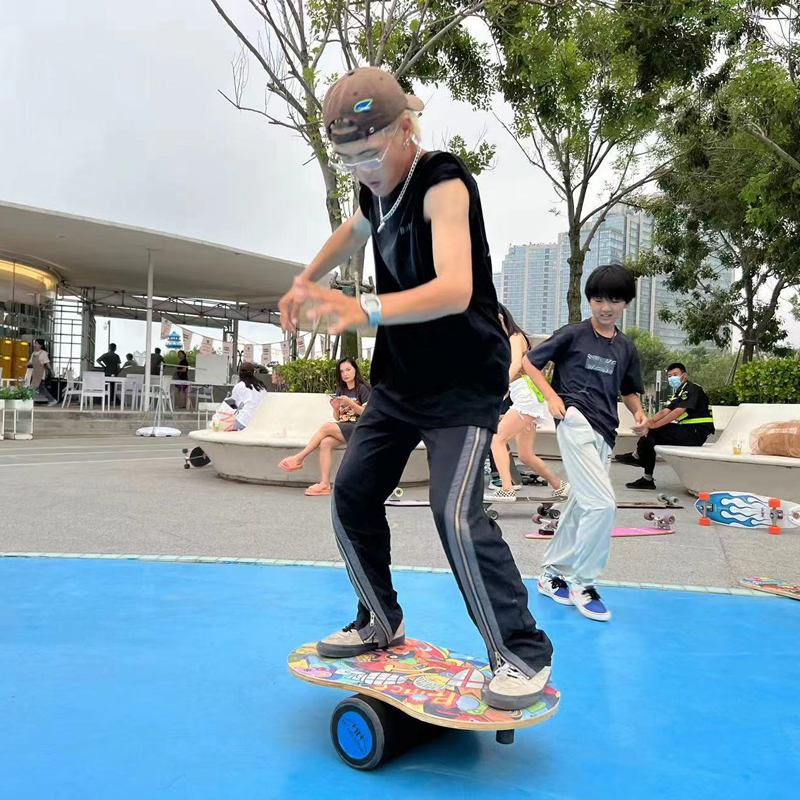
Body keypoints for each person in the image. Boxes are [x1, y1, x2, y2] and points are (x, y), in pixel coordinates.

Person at [278, 66, 553, 710]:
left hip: (462, 383)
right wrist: (304, 278)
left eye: (372, 154)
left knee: (454, 514)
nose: (365, 171)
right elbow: (354, 230)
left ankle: (520, 652)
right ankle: (380, 618)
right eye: (349, 161)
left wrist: (364, 311)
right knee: (352, 492)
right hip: (401, 381)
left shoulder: (443, 183)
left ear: (407, 129)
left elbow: (456, 288)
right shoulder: (375, 191)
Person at [524, 264, 646, 623]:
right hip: (575, 420)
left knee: (581, 504)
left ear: (626, 303)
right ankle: (583, 582)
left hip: (605, 431)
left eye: (614, 299)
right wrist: (549, 395)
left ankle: (552, 573)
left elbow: (629, 390)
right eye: (597, 299)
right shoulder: (573, 334)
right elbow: (529, 363)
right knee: (603, 504)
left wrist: (638, 414)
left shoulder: (626, 347)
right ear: (589, 300)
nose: (605, 306)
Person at [484, 304, 570, 503]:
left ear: (500, 317)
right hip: (525, 398)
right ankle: (560, 486)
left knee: (497, 439)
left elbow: (515, 365)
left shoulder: (515, 337)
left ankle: (506, 488)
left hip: (526, 399)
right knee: (525, 455)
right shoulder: (508, 340)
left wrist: (499, 386)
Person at [278, 357, 372, 496]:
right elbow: (339, 417)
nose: (345, 374)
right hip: (346, 427)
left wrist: (351, 404)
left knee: (326, 427)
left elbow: (366, 414)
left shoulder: (363, 389)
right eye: (342, 371)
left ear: (355, 370)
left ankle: (299, 458)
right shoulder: (341, 389)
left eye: (348, 369)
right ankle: (325, 484)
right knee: (325, 442)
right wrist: (335, 408)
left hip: (360, 428)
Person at [617, 362, 714, 490]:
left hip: (696, 433)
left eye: (675, 375)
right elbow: (665, 411)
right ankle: (646, 477)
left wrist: (655, 425)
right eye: (669, 376)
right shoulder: (679, 392)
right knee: (650, 436)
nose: (672, 378)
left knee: (653, 432)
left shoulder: (691, 388)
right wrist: (650, 422)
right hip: (689, 431)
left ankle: (638, 458)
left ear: (684, 376)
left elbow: (678, 411)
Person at [228, 362, 267, 430]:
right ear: (253, 373)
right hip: (260, 421)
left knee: (224, 427)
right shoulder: (261, 386)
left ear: (239, 373)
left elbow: (234, 405)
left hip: (244, 421)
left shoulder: (239, 386)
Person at [28, 338, 58, 406]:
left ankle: (28, 400)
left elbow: (47, 363)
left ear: (41, 345)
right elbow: (30, 362)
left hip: (40, 372)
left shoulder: (43, 353)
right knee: (40, 388)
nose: (35, 345)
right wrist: (24, 365)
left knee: (35, 387)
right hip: (35, 372)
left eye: (36, 343)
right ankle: (52, 400)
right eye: (35, 343)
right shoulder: (34, 353)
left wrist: (51, 370)